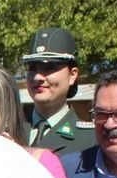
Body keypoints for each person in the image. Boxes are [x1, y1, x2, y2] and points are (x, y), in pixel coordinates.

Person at [20, 26, 93, 157]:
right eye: (32, 68)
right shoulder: (9, 132)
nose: (37, 77)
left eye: (49, 67)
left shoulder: (91, 139)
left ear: (72, 75)